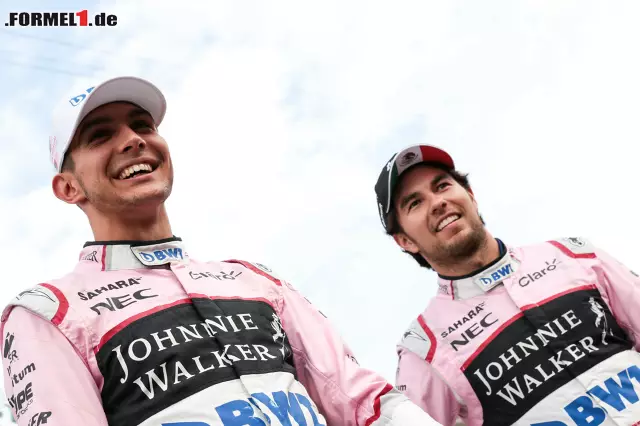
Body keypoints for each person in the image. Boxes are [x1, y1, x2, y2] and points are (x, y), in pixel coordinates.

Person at [0, 76, 441, 426]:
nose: (133, 140)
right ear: (68, 187)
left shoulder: (254, 279)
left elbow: (360, 398)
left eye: (143, 125)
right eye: (100, 135)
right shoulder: (48, 314)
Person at [374, 144, 640, 426]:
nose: (437, 202)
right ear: (405, 241)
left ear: (471, 196)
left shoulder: (573, 255)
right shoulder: (423, 346)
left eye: (442, 186)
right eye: (415, 203)